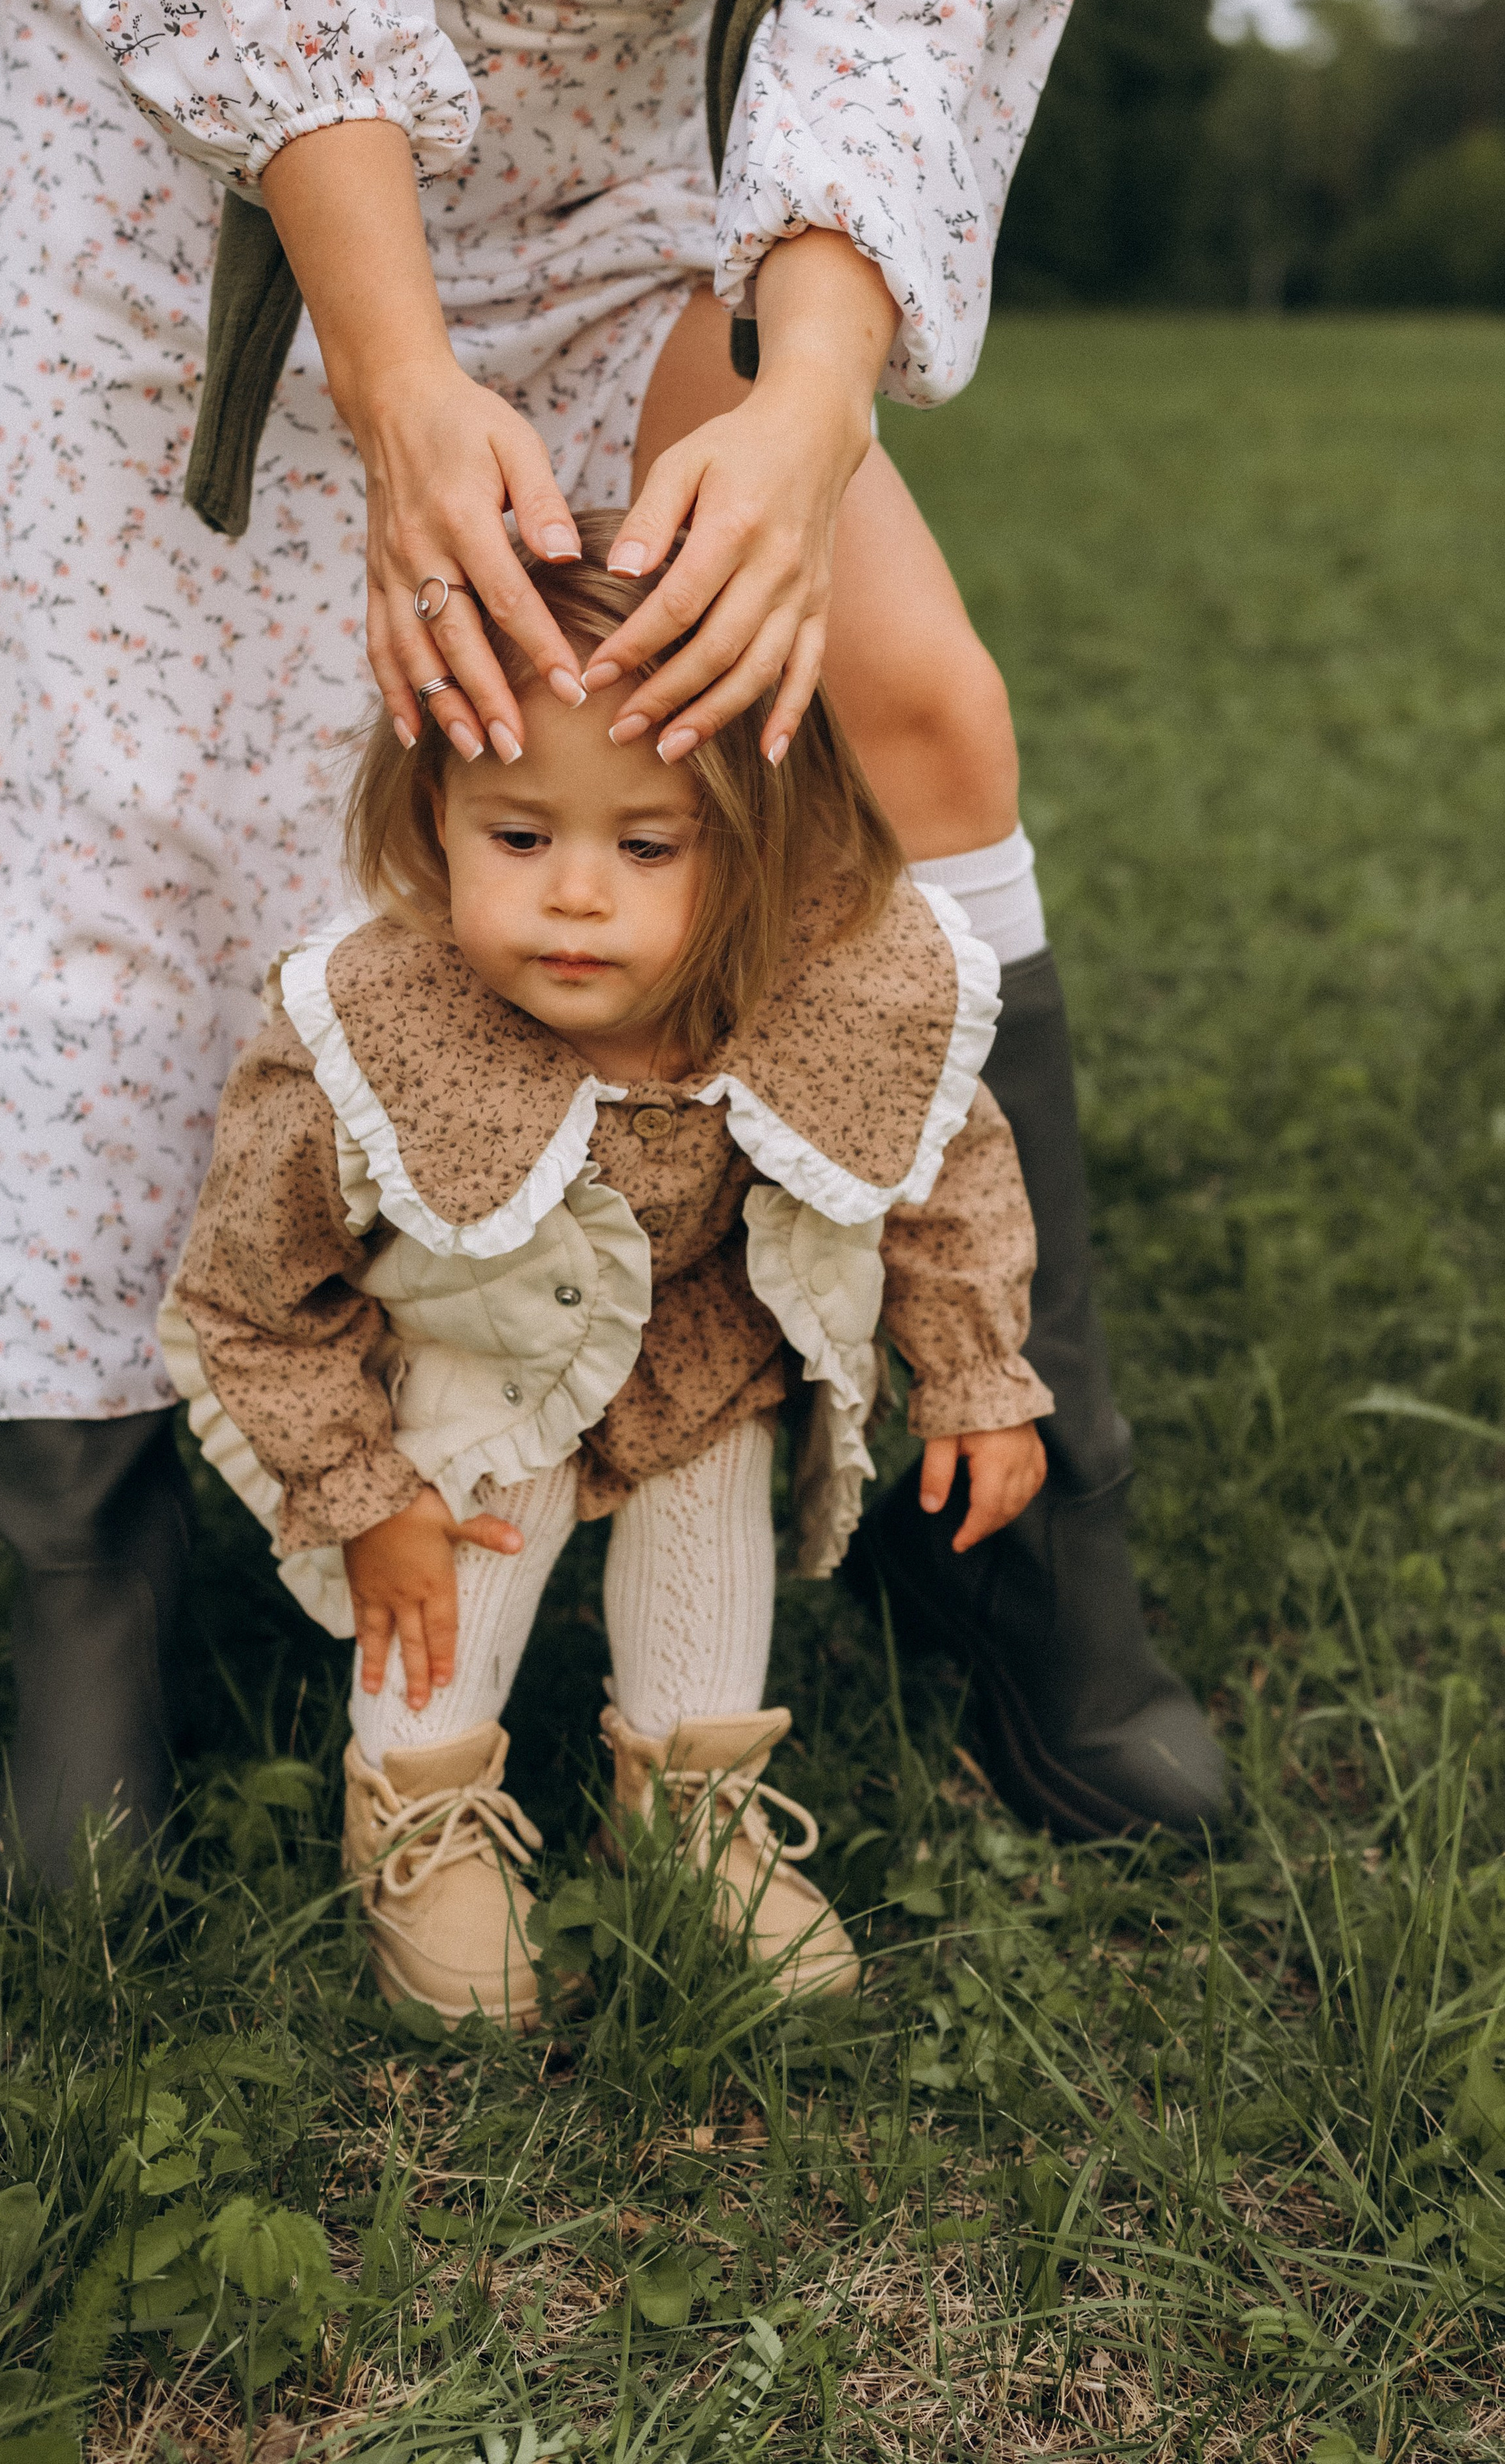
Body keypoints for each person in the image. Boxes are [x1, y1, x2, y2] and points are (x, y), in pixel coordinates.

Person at [0, 0, 1225, 1879]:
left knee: (910, 704)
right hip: (200, 127)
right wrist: (396, 380)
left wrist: (809, 401)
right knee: (111, 814)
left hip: (629, 180)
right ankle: (93, 1574)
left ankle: (1019, 1513)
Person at [159, 524, 1053, 2022]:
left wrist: (970, 1369)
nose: (576, 895)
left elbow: (938, 1165)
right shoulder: (371, 1033)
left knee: (712, 1536)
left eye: (646, 845)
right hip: (474, 1371)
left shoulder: (821, 982)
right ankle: (418, 1805)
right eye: (517, 837)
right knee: (454, 1585)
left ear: (756, 845)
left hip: (700, 1347)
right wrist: (358, 1493)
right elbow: (250, 1291)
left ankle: (690, 1804)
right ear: (434, 812)